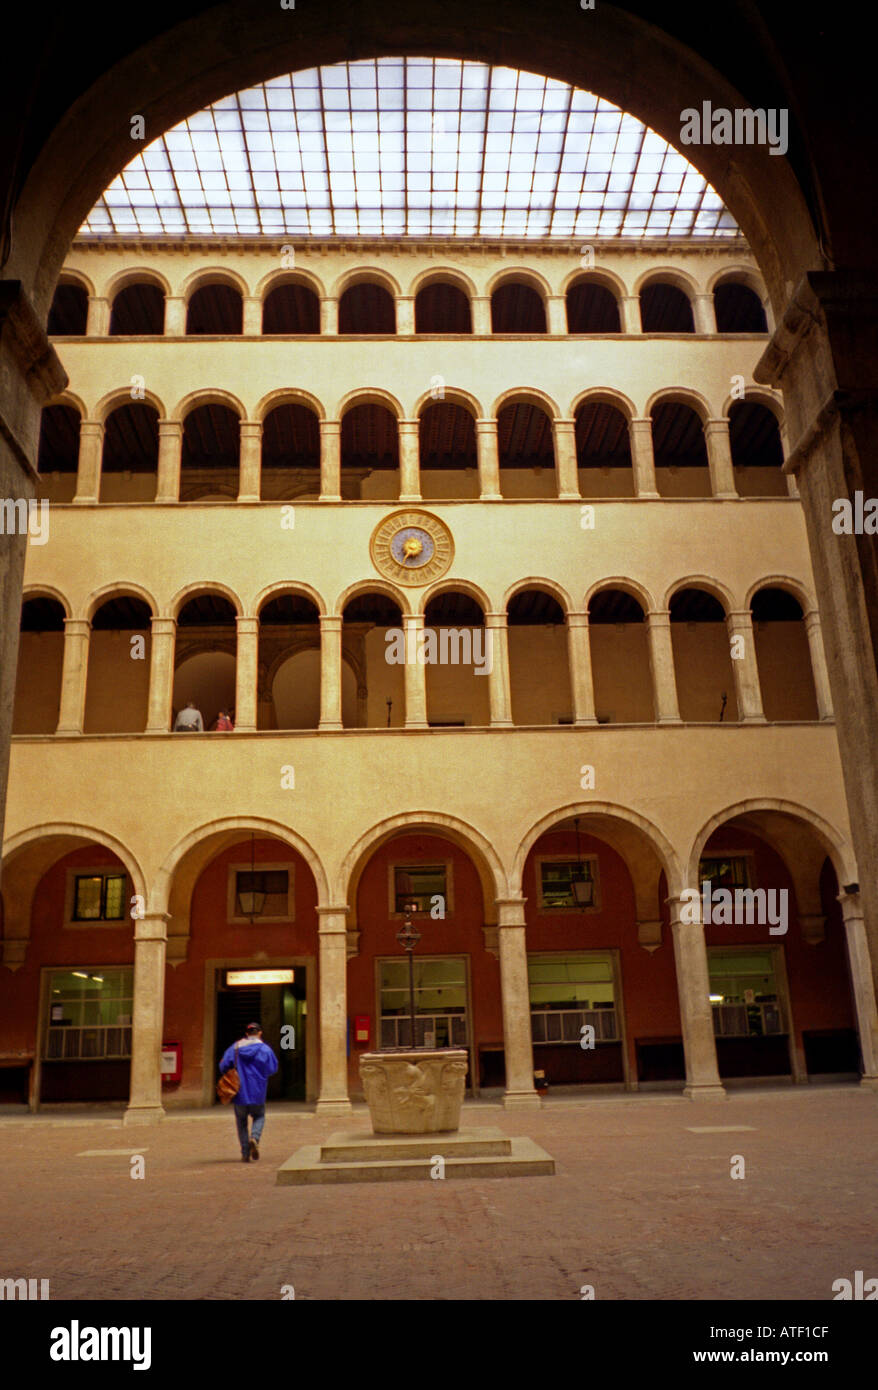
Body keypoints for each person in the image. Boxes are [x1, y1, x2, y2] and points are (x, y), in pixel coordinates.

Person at [219, 1022, 279, 1162]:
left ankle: (245, 1153)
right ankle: (255, 1137)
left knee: (241, 1122)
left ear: (247, 1033)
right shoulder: (265, 1049)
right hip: (257, 1091)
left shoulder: (235, 1048)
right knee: (259, 1116)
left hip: (239, 1092)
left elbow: (223, 1066)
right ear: (259, 1033)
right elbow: (272, 1068)